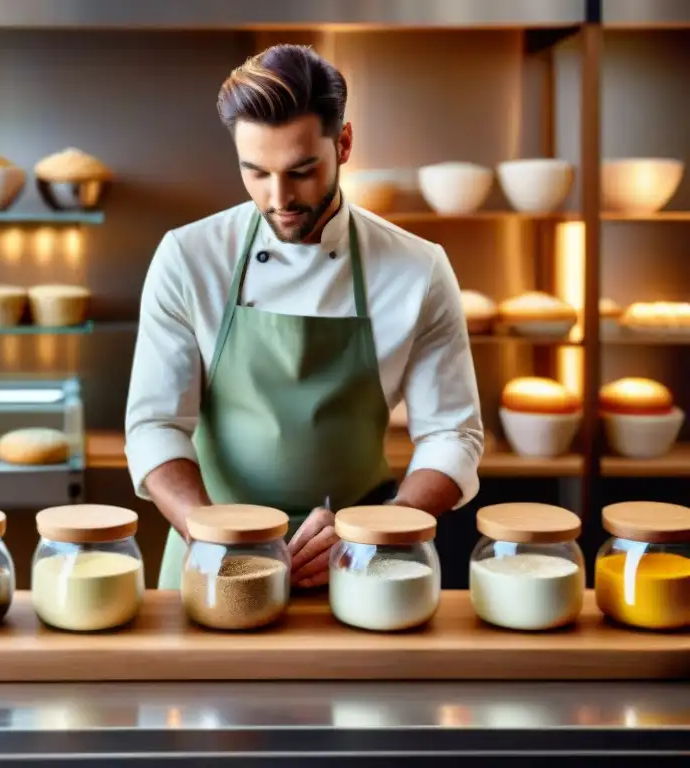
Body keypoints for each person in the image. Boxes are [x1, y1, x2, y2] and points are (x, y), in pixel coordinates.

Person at [124, 44, 484, 590]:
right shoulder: (188, 256)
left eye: (301, 170)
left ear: (343, 144)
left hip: (363, 564)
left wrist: (377, 532)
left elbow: (452, 436)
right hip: (213, 561)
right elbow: (155, 426)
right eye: (256, 172)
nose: (279, 197)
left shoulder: (418, 268)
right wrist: (210, 533)